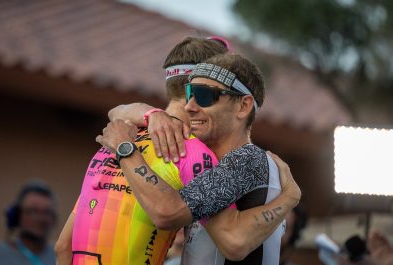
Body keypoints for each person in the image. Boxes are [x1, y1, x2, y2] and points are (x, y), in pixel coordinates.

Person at [56, 37, 300, 265]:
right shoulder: (189, 151)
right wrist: (289, 199)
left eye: (205, 96)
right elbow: (226, 236)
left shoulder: (115, 141)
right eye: (193, 94)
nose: (193, 105)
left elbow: (63, 247)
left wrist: (132, 135)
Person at [0, 181, 57, 265]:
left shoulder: (62, 256)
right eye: (33, 211)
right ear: (17, 215)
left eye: (46, 212)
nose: (40, 218)